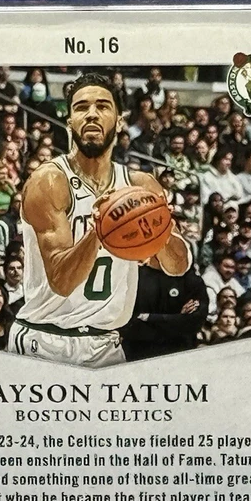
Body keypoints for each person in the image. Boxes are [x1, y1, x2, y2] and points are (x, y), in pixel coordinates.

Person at [11, 72, 189, 367]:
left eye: (103, 106)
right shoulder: (49, 181)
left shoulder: (140, 185)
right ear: (69, 122)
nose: (92, 114)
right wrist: (99, 231)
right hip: (46, 339)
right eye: (81, 107)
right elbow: (61, 281)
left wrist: (159, 228)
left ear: (119, 121)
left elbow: (177, 266)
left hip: (106, 343)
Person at [122, 259, 209, 361]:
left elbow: (194, 322)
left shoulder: (192, 280)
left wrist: (149, 318)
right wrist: (177, 318)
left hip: (180, 353)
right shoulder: (136, 275)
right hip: (138, 352)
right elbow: (130, 322)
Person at [201, 253, 246, 318]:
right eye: (226, 266)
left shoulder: (234, 282)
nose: (229, 270)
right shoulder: (208, 279)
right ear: (218, 266)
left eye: (232, 268)